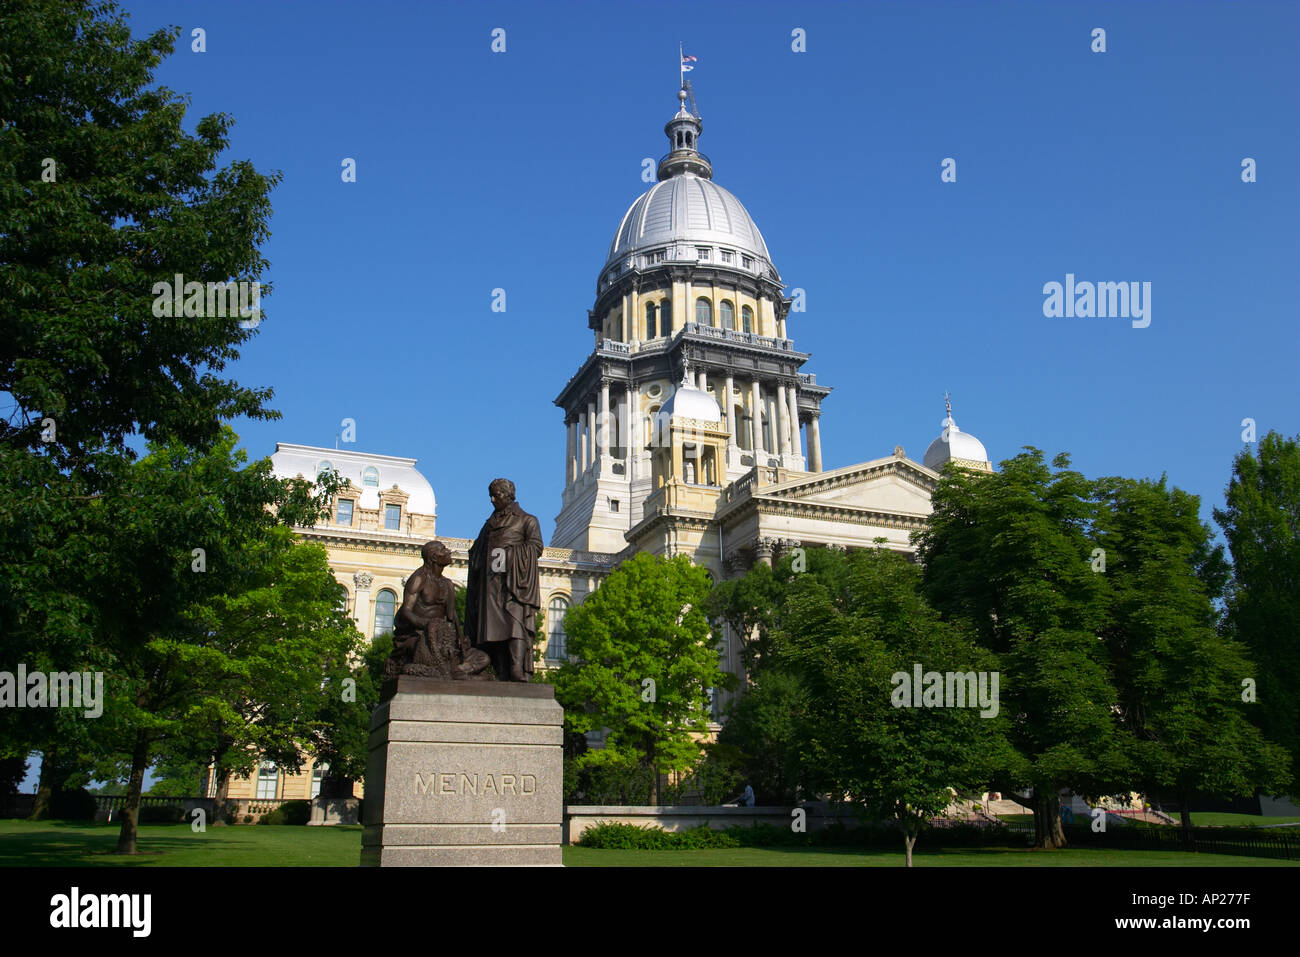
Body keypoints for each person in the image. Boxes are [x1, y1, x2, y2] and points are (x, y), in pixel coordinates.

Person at [465, 478, 544, 682]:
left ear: (509, 495)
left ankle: (516, 667)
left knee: (515, 624)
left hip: (515, 583)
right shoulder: (489, 524)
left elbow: (536, 547)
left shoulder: (527, 520)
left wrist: (510, 555)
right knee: (491, 628)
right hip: (491, 584)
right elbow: (477, 549)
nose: (492, 499)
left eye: (496, 495)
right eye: (490, 495)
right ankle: (500, 669)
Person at [387, 540, 490, 680]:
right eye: (444, 549)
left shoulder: (447, 584)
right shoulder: (419, 578)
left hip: (442, 636)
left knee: (482, 657)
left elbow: (452, 616)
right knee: (428, 648)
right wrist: (427, 625)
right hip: (417, 635)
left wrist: (461, 639)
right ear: (434, 557)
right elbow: (406, 611)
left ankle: (458, 670)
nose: (449, 551)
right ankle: (455, 672)